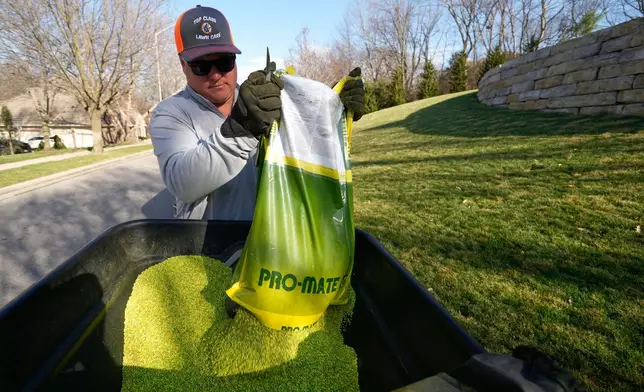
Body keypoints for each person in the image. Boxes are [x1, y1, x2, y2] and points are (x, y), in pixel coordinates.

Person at [149, 5, 365, 221]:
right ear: (182, 64)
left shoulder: (259, 98)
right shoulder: (169, 113)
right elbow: (183, 184)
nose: (215, 75)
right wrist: (241, 128)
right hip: (207, 247)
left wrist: (331, 109)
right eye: (201, 66)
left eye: (224, 62)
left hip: (269, 238)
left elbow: (303, 143)